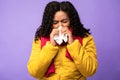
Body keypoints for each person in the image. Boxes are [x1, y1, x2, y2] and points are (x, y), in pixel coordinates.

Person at [27, 1, 98, 80]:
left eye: (64, 21)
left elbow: (90, 71)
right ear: (49, 23)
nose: (60, 26)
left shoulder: (85, 38)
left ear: (71, 20)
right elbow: (34, 72)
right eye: (55, 22)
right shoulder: (40, 39)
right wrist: (51, 46)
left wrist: (73, 44)